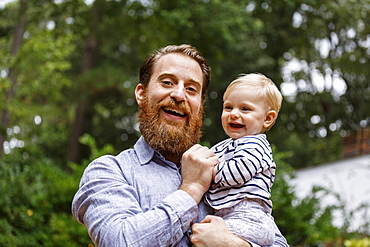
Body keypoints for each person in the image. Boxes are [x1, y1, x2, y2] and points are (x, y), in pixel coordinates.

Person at [71, 45, 288, 247]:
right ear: (141, 93)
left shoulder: (220, 162)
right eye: (167, 82)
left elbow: (271, 235)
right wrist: (191, 189)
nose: (178, 95)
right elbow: (119, 241)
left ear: (200, 105)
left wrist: (236, 245)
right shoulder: (110, 171)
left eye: (192, 89)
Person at [204, 73, 283, 246]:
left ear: (267, 118)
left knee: (205, 234)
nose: (234, 114)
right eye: (228, 107)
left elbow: (237, 172)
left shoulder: (255, 145)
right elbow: (207, 158)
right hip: (230, 215)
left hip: (249, 217)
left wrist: (205, 171)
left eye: (245, 109)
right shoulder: (225, 145)